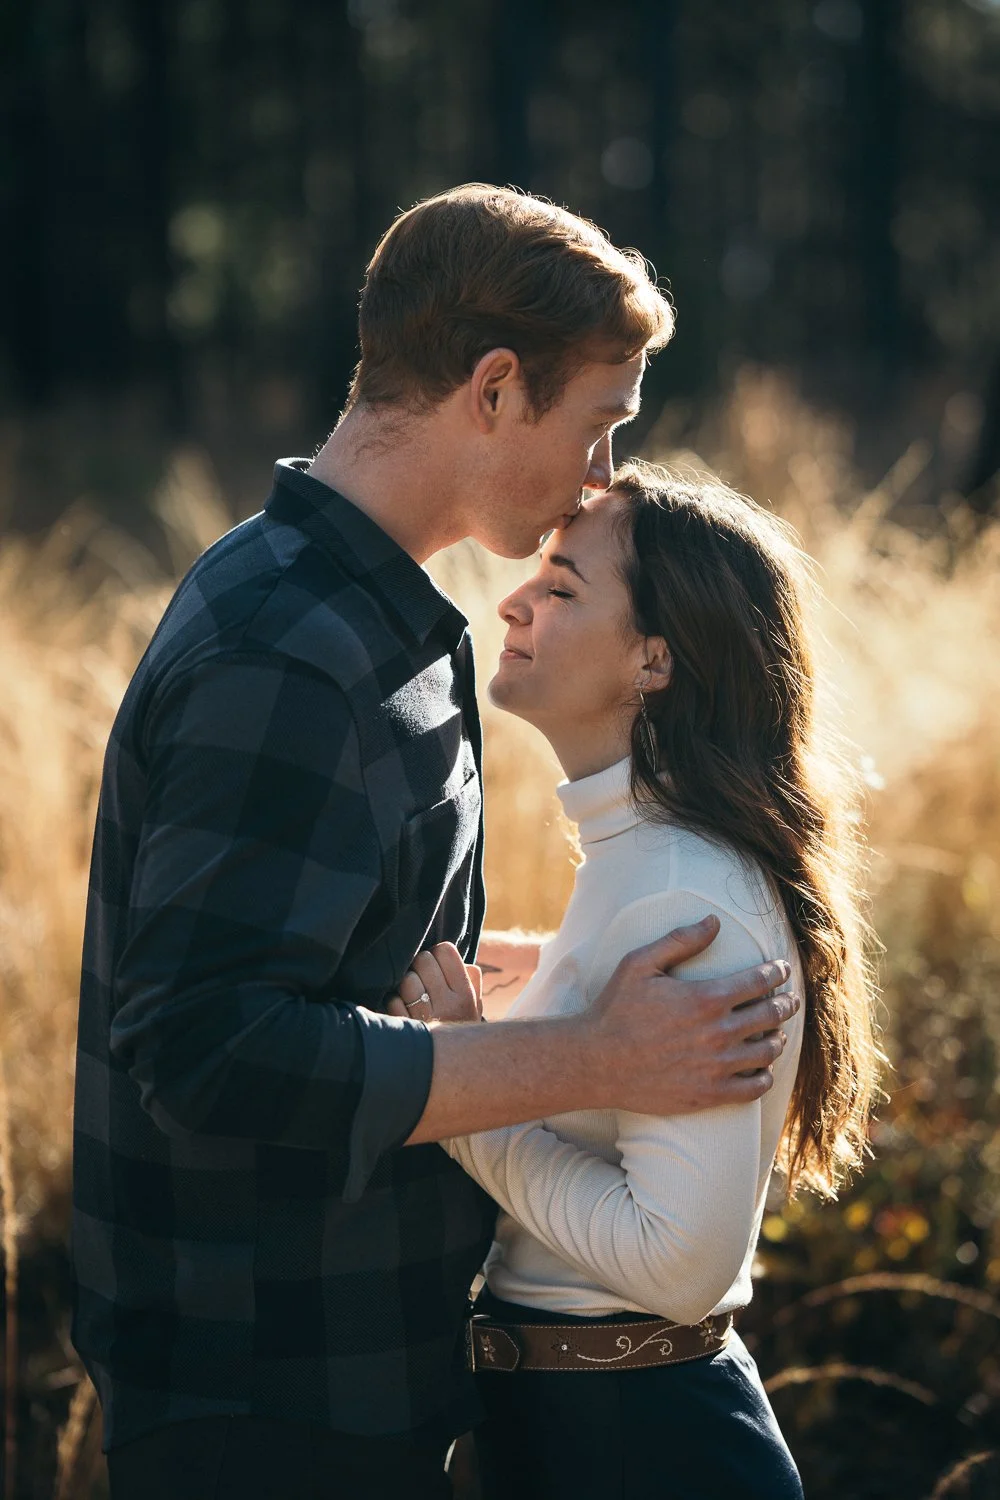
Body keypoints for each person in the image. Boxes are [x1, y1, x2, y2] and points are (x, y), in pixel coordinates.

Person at [72, 185, 800, 1500]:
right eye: (599, 422)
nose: (602, 472)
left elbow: (352, 972)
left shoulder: (382, 626)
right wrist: (583, 1054)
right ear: (496, 387)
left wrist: (544, 978)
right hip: (263, 1405)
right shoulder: (289, 648)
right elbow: (202, 1042)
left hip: (367, 1382)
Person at [402, 463, 880, 1499]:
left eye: (563, 587)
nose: (514, 599)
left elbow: (679, 1264)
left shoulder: (681, 896)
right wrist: (545, 983)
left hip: (643, 1447)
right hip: (590, 1430)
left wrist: (461, 1095)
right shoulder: (648, 866)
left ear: (655, 659)